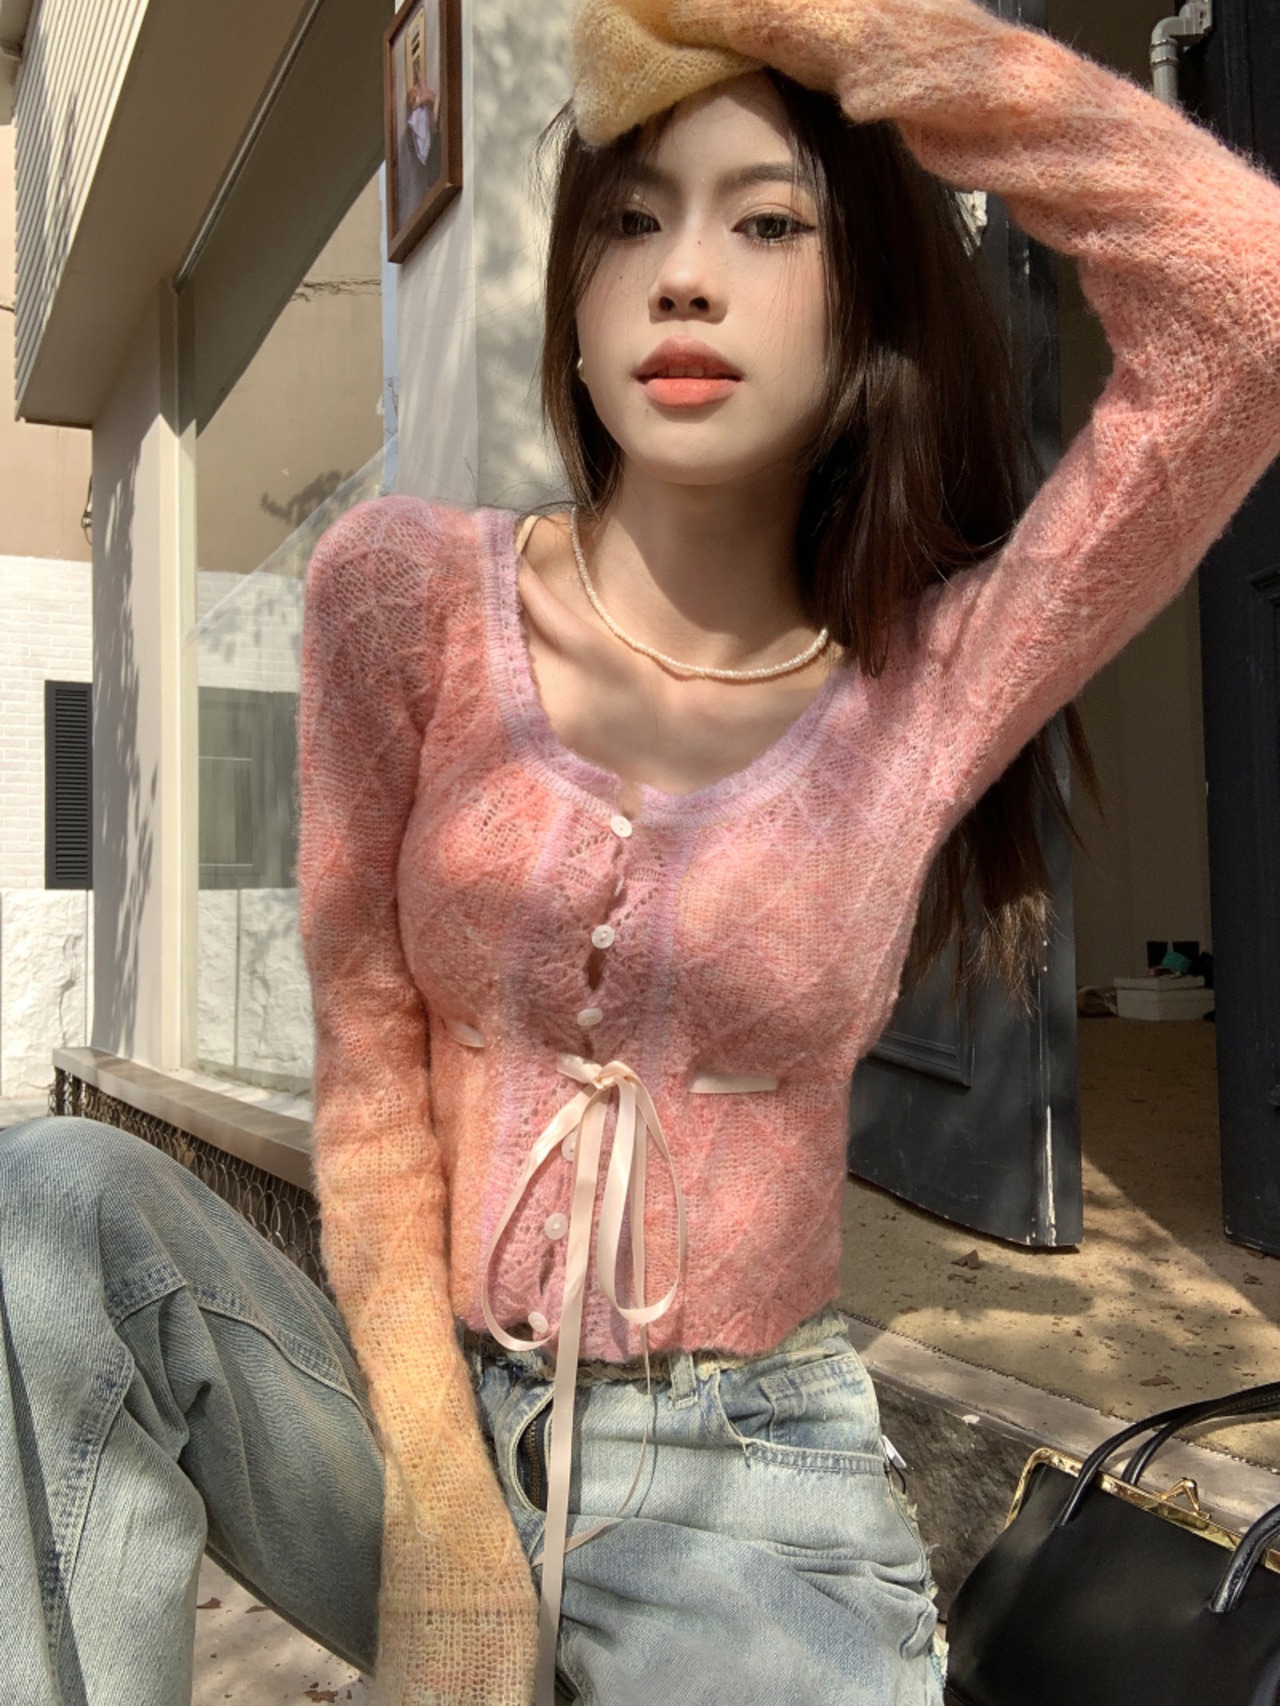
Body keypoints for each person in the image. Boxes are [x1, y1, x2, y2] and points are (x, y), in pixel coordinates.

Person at [3, 0, 1280, 1703]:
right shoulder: (401, 596)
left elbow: (1245, 301)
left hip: (748, 1489)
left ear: (864, 302)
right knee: (58, 1211)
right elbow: (370, 1071)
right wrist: (444, 1507)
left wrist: (841, 32)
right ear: (577, 309)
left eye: (769, 223)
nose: (684, 276)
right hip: (415, 1415)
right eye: (630, 220)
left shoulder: (929, 684)